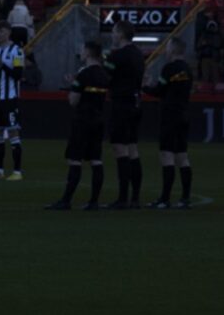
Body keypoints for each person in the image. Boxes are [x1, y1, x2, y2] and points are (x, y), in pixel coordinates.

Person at [46, 40, 110, 211]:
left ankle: (66, 200)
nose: (80, 53)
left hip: (82, 120)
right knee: (96, 160)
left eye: (82, 50)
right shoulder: (104, 75)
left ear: (88, 53)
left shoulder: (83, 74)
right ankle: (94, 201)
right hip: (98, 120)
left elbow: (74, 100)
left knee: (75, 160)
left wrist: (72, 88)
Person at [145, 40, 195, 207]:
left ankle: (165, 198)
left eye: (167, 48)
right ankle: (185, 197)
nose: (165, 51)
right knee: (182, 156)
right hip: (184, 114)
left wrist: (145, 86)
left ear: (173, 50)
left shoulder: (169, 69)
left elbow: (159, 91)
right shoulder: (188, 69)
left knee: (167, 155)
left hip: (170, 115)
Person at [103, 27, 148, 208]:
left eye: (114, 32)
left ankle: (122, 198)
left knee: (120, 148)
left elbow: (106, 77)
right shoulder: (138, 54)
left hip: (121, 103)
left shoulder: (117, 56)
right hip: (136, 103)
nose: (113, 35)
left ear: (121, 34)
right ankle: (135, 197)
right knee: (133, 149)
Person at [0, 24, 27, 182]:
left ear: (9, 32)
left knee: (13, 133)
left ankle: (17, 172)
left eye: (1, 31)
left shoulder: (16, 51)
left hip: (10, 98)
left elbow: (18, 74)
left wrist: (0, 64)